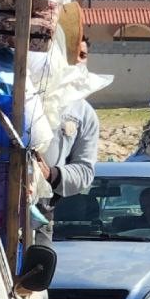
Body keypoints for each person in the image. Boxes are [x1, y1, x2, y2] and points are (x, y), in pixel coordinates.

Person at [32, 36, 100, 243]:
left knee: (36, 269)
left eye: (83, 55)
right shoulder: (27, 92)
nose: (78, 60)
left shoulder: (84, 114)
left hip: (41, 209)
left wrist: (51, 174)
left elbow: (85, 171)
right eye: (73, 53)